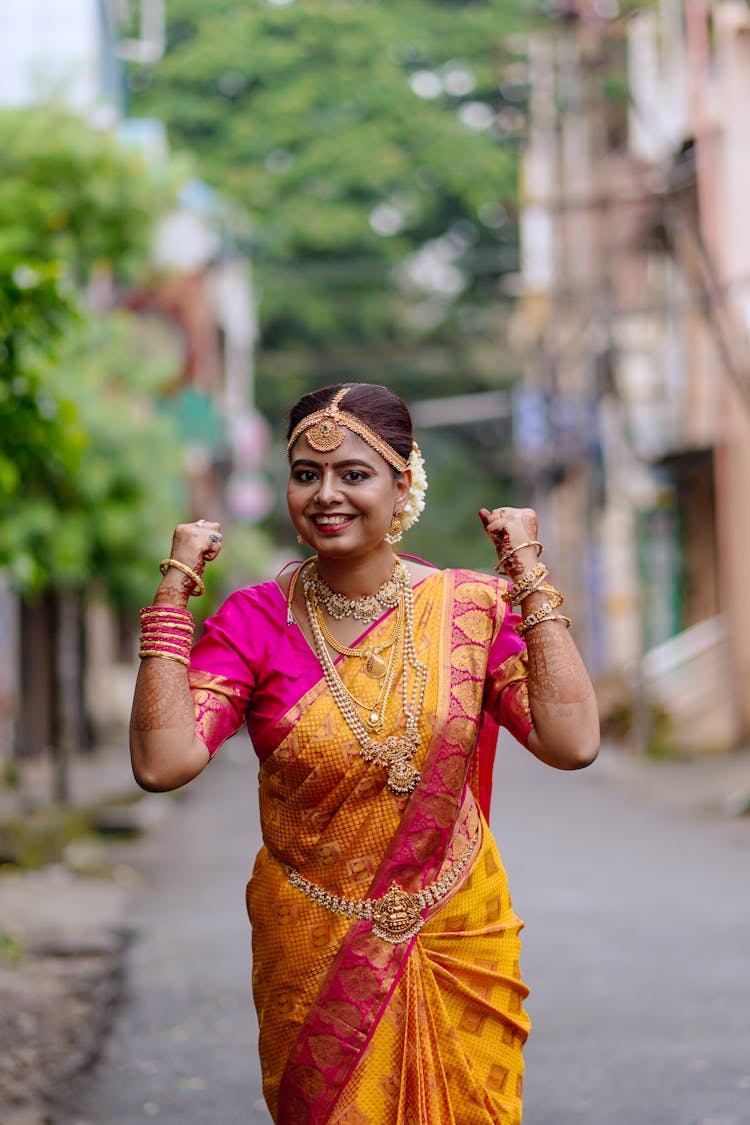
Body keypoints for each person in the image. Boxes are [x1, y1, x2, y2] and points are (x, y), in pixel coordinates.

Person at [130, 381, 600, 1125]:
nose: (326, 495)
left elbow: (572, 742)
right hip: (315, 949)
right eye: (306, 474)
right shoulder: (255, 620)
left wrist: (528, 574)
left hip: (456, 937)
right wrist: (174, 590)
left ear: (401, 482)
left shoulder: (470, 609)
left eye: (354, 473)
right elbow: (163, 763)